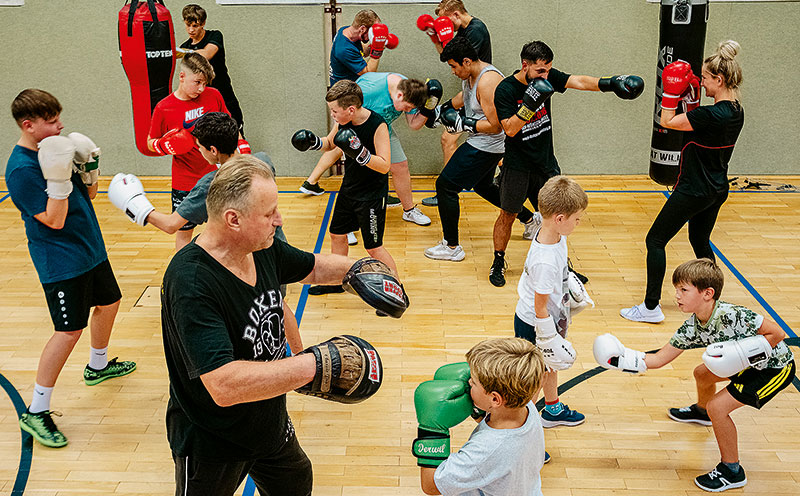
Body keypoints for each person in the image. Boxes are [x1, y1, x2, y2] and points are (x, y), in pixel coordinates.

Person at [161, 154, 384, 495]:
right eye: (268, 214)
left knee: (295, 482)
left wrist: (362, 270)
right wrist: (314, 364)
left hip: (268, 422)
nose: (279, 220)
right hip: (213, 441)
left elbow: (311, 267)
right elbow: (223, 385)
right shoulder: (192, 281)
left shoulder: (260, 247)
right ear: (232, 219)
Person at [595, 258, 795, 492]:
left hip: (774, 369)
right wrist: (621, 359)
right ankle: (702, 413)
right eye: (676, 290)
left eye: (684, 290)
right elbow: (659, 359)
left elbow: (778, 333)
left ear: (707, 293)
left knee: (719, 407)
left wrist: (741, 353)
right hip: (745, 365)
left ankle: (732, 470)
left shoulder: (735, 315)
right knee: (702, 373)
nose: (677, 296)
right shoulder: (692, 327)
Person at [6, 89, 136, 448]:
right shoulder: (20, 170)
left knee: (109, 302)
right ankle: (36, 410)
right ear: (29, 125)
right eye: (51, 121)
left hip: (90, 248)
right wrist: (60, 178)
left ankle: (97, 366)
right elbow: (54, 218)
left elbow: (89, 197)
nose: (60, 125)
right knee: (68, 331)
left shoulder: (55, 150)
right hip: (61, 261)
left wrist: (89, 170)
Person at [490, 40, 643, 286]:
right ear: (525, 65)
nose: (546, 75)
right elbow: (509, 129)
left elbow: (579, 81)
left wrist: (611, 83)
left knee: (559, 215)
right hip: (517, 164)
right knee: (508, 214)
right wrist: (529, 105)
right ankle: (498, 261)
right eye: (540, 71)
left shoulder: (548, 77)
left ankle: (562, 268)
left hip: (545, 162)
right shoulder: (505, 90)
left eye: (549, 70)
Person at [621, 40, 744, 323]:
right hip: (717, 187)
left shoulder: (709, 115)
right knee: (699, 239)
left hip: (693, 188)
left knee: (655, 239)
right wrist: (689, 98)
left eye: (704, 78)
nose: (700, 82)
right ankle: (712, 301)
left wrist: (671, 91)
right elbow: (697, 125)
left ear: (718, 79)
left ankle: (650, 307)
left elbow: (667, 121)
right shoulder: (736, 110)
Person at [423, 37, 536, 262]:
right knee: (482, 186)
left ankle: (451, 246)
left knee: (445, 185)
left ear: (466, 61)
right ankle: (530, 220)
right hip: (483, 141)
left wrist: (465, 124)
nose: (453, 72)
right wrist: (441, 110)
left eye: (454, 67)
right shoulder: (472, 74)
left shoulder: (488, 82)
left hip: (488, 144)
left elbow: (496, 126)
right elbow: (463, 98)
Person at [291, 80, 401, 299]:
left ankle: (395, 289)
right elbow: (331, 143)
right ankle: (337, 280)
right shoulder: (343, 120)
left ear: (351, 109)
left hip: (371, 194)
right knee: (337, 234)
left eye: (334, 111)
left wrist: (361, 153)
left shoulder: (377, 125)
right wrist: (313, 142)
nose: (332, 115)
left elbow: (385, 165)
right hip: (349, 188)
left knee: (374, 247)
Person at [513, 176, 589, 461]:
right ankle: (522, 444)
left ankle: (553, 408)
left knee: (550, 366)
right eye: (577, 219)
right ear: (559, 218)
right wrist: (548, 337)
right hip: (536, 324)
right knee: (531, 385)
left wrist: (570, 289)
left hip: (550, 319)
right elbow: (540, 305)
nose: (578, 223)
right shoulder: (544, 260)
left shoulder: (557, 234)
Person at [413, 337, 546, 495]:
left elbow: (431, 485)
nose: (468, 382)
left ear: (495, 399)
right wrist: (478, 409)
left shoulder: (486, 452)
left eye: (474, 382)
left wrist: (432, 430)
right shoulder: (525, 405)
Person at [303, 73, 433, 227]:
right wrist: (319, 142)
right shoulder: (370, 90)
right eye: (406, 107)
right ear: (399, 95)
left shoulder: (410, 91)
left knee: (401, 166)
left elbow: (414, 125)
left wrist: (430, 107)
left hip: (382, 129)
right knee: (356, 173)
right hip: (357, 125)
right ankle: (348, 222)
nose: (406, 110)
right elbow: (342, 114)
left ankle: (409, 210)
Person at [300, 9, 393, 199]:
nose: (370, 37)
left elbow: (361, 52)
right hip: (346, 100)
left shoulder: (345, 32)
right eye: (371, 33)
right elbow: (369, 74)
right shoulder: (344, 50)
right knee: (355, 143)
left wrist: (377, 42)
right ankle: (376, 190)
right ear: (361, 29)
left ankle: (311, 181)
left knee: (340, 142)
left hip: (346, 97)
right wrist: (378, 51)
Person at [147, 52, 233, 250]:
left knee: (226, 229)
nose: (202, 88)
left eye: (205, 83)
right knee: (184, 234)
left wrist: (242, 148)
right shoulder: (164, 107)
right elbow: (150, 142)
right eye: (198, 82)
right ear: (182, 76)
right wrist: (164, 145)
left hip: (217, 177)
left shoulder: (214, 95)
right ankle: (183, 276)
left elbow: (229, 126)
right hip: (185, 181)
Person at [417, 0, 493, 207]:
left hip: (480, 96)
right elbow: (447, 55)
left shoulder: (476, 31)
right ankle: (449, 188)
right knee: (487, 162)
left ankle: (447, 188)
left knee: (449, 139)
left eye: (446, 20)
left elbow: (457, 56)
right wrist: (434, 36)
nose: (446, 26)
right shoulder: (464, 30)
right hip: (470, 91)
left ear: (457, 14)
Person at [178, 4, 245, 135]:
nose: (191, 30)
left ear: (203, 23)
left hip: (224, 94)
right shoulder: (184, 47)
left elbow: (207, 54)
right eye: (188, 25)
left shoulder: (214, 36)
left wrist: (183, 52)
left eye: (195, 26)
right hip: (203, 100)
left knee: (236, 134)